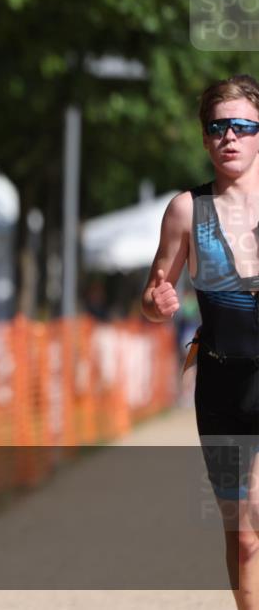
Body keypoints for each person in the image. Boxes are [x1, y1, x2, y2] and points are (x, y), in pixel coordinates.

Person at [141, 74, 259, 610]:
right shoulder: (187, 210)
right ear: (204, 137)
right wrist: (156, 304)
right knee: (243, 534)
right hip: (220, 386)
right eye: (218, 127)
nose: (229, 137)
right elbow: (153, 293)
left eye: (242, 126)